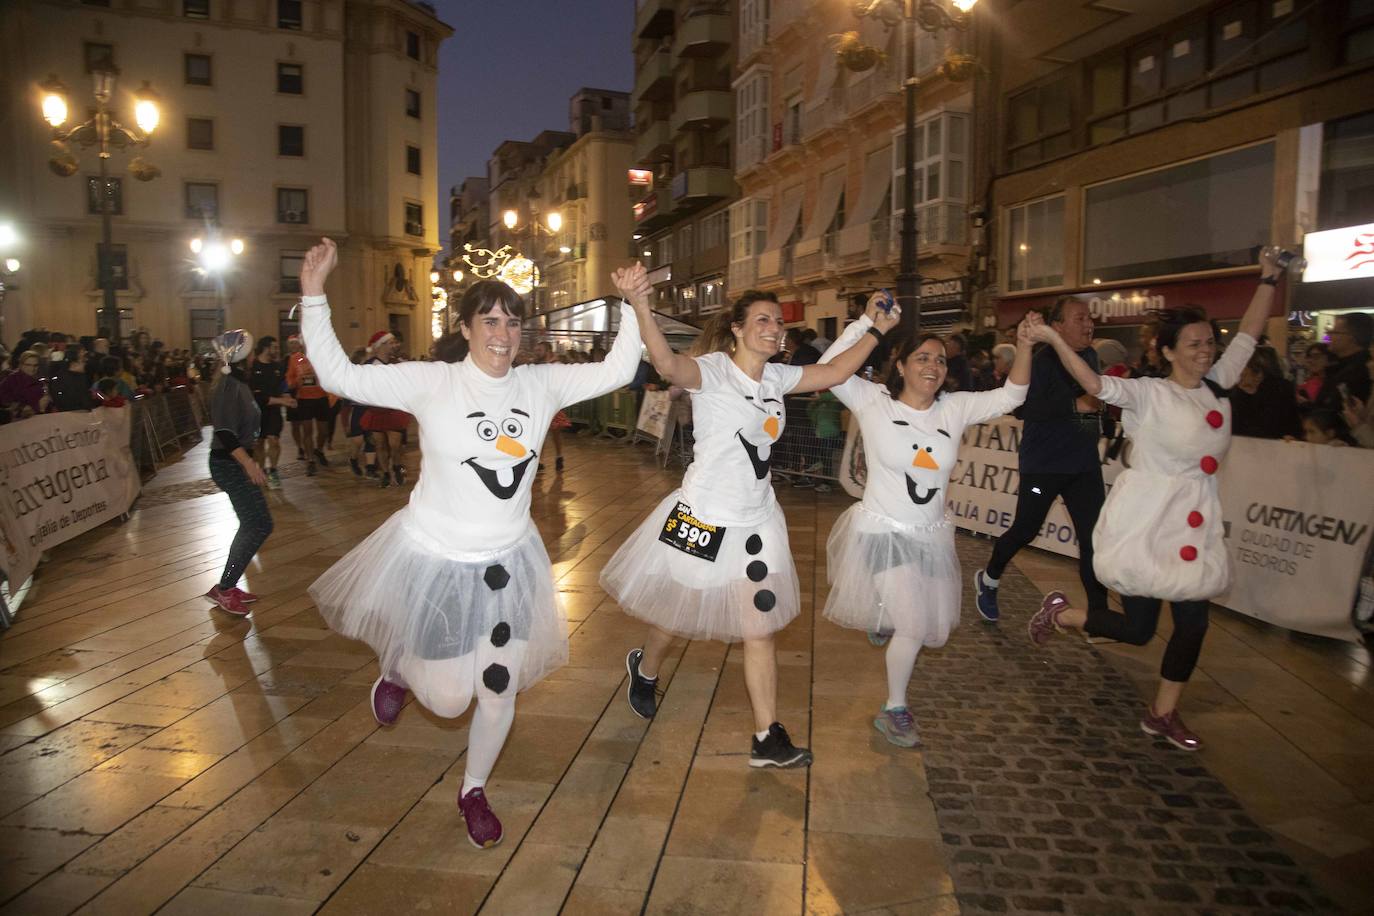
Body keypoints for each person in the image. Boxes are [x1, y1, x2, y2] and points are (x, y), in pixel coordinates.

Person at [296, 238, 645, 849]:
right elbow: (339, 375)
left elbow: (617, 370)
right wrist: (313, 294)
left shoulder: (539, 385)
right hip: (435, 559)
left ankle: (473, 789)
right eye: (490, 320)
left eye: (512, 322)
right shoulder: (433, 382)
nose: (503, 334)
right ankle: (401, 669)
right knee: (450, 699)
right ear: (465, 327)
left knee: (499, 686)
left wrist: (636, 305)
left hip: (508, 563)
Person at [603, 288, 900, 768]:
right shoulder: (714, 371)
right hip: (701, 513)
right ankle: (646, 666)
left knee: (759, 628)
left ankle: (766, 738)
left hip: (758, 520)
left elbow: (836, 371)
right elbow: (668, 365)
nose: (774, 328)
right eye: (762, 320)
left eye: (778, 322)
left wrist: (873, 329)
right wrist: (639, 305)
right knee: (676, 612)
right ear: (738, 328)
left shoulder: (778, 378)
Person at [1024, 247, 1289, 752]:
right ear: (1168, 351)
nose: (1204, 350)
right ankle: (1063, 615)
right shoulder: (1148, 394)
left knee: (1193, 623)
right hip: (1147, 522)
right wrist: (1054, 338)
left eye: (1209, 342)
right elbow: (1093, 383)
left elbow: (1251, 334)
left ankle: (1162, 714)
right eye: (1192, 344)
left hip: (1194, 523)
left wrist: (1269, 279)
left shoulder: (1218, 383)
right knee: (1140, 630)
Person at [818, 300, 1037, 746]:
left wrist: (1026, 344)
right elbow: (828, 366)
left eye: (940, 359)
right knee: (915, 626)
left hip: (932, 534)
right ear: (899, 365)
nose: (933, 365)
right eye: (922, 357)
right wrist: (868, 324)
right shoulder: (872, 399)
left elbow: (1013, 394)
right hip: (882, 530)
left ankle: (884, 613)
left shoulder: (953, 408)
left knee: (914, 620)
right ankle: (894, 708)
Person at [973, 296, 1107, 624]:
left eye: (1089, 317)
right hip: (1043, 465)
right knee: (1025, 529)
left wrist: (1096, 422)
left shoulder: (1090, 355)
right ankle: (989, 579)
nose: (1088, 324)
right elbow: (1024, 409)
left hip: (1083, 465)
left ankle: (1099, 615)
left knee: (1094, 540)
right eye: (1079, 318)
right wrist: (1072, 406)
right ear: (1057, 327)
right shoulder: (1042, 361)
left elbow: (1091, 404)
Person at [205, 330, 295, 616]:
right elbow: (225, 432)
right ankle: (225, 588)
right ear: (245, 355)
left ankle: (226, 586)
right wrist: (249, 463)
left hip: (236, 461)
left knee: (256, 523)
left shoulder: (238, 382)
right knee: (257, 523)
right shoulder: (228, 386)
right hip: (228, 463)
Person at [358, 331, 411, 487]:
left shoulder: (398, 363)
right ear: (381, 345)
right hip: (376, 410)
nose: (395, 345)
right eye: (391, 342)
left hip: (394, 410)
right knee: (380, 444)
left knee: (395, 445)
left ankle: (397, 465)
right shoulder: (369, 366)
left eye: (395, 342)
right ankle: (386, 473)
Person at [286, 336, 332, 477]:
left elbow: (331, 375)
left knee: (324, 431)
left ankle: (319, 450)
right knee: (307, 431)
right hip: (305, 399)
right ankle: (310, 460)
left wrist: (323, 379)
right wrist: (296, 381)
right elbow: (289, 380)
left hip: (321, 398)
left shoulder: (322, 357)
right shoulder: (295, 359)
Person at [1230, 352, 1301, 439]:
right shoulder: (1232, 395)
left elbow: (1293, 423)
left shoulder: (1279, 391)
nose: (1259, 376)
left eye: (1242, 367)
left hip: (1276, 445)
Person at [249, 336, 287, 489]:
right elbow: (257, 397)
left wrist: (287, 397)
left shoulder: (278, 367)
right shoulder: (252, 367)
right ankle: (261, 471)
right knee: (259, 443)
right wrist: (281, 401)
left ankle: (273, 471)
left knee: (274, 440)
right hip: (256, 413)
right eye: (274, 347)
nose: (277, 350)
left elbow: (283, 386)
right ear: (266, 348)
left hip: (273, 412)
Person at [1317, 313, 1373, 412]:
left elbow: (1338, 410)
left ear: (1352, 337)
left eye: (1334, 332)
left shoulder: (1361, 371)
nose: (1328, 335)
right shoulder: (1339, 366)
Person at [0, 350, 52, 420]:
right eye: (28, 365)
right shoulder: (12, 379)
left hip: (39, 420)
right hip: (19, 422)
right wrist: (21, 407)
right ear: (21, 365)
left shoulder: (41, 381)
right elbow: (4, 398)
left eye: (35, 365)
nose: (32, 368)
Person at [49, 346, 94, 412]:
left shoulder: (81, 377)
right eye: (83, 358)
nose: (86, 360)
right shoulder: (61, 380)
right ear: (73, 363)